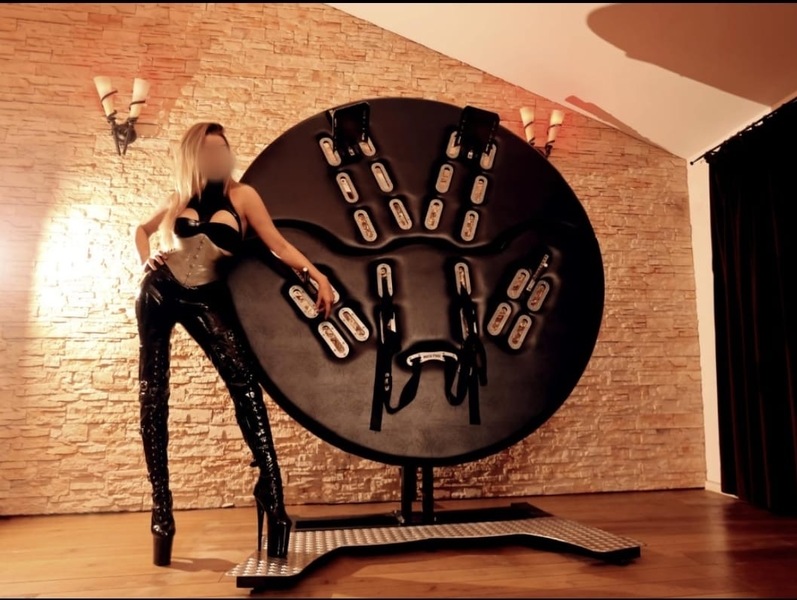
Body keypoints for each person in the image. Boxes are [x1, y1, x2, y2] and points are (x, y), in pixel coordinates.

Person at [134, 122, 335, 566]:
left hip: (206, 297)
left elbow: (277, 244)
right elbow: (141, 230)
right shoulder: (180, 196)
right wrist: (146, 259)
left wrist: (316, 274)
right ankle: (162, 510)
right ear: (195, 155)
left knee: (245, 385)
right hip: (159, 292)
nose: (217, 157)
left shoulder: (243, 196)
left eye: (221, 149)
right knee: (153, 397)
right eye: (208, 150)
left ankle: (273, 496)